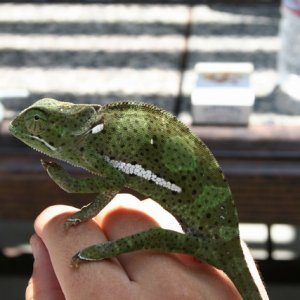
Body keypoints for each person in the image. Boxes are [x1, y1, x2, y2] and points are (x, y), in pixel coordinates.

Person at [26, 194, 268, 299]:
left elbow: (111, 182)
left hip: (209, 236)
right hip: (210, 237)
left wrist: (105, 251)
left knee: (151, 237)